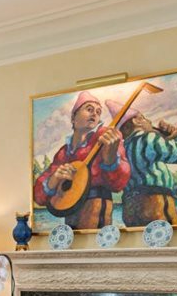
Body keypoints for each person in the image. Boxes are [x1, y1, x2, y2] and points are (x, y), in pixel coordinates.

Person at [33, 91, 130, 229]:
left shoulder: (105, 136)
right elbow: (38, 196)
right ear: (73, 117)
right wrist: (54, 179)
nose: (95, 114)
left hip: (97, 221)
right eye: (89, 109)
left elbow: (119, 184)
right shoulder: (63, 152)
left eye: (98, 111)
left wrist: (111, 160)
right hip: (70, 227)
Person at [105, 99, 177, 227]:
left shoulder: (122, 149)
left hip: (129, 208)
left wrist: (167, 137)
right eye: (144, 118)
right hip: (155, 203)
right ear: (136, 121)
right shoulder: (148, 139)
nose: (149, 122)